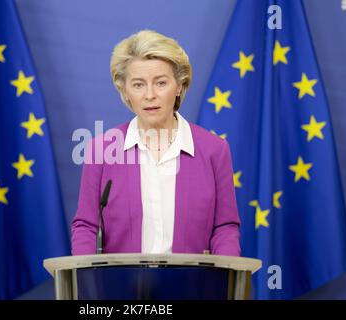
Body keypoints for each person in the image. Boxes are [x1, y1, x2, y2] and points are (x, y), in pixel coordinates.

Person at [71, 30, 240, 256]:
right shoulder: (100, 151)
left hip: (193, 287)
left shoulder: (214, 150)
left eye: (160, 83)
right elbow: (87, 227)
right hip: (120, 287)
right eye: (138, 85)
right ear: (125, 91)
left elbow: (224, 227)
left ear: (179, 86)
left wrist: (224, 280)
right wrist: (88, 283)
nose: (150, 95)